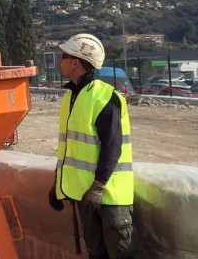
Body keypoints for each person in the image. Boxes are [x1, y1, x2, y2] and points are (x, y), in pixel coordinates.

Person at [48, 33, 141, 259]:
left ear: (75, 62)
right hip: (85, 195)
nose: (59, 61)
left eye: (63, 56)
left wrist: (98, 188)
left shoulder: (104, 97)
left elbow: (112, 147)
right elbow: (70, 149)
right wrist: (58, 185)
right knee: (97, 255)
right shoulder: (72, 96)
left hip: (109, 196)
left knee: (122, 254)